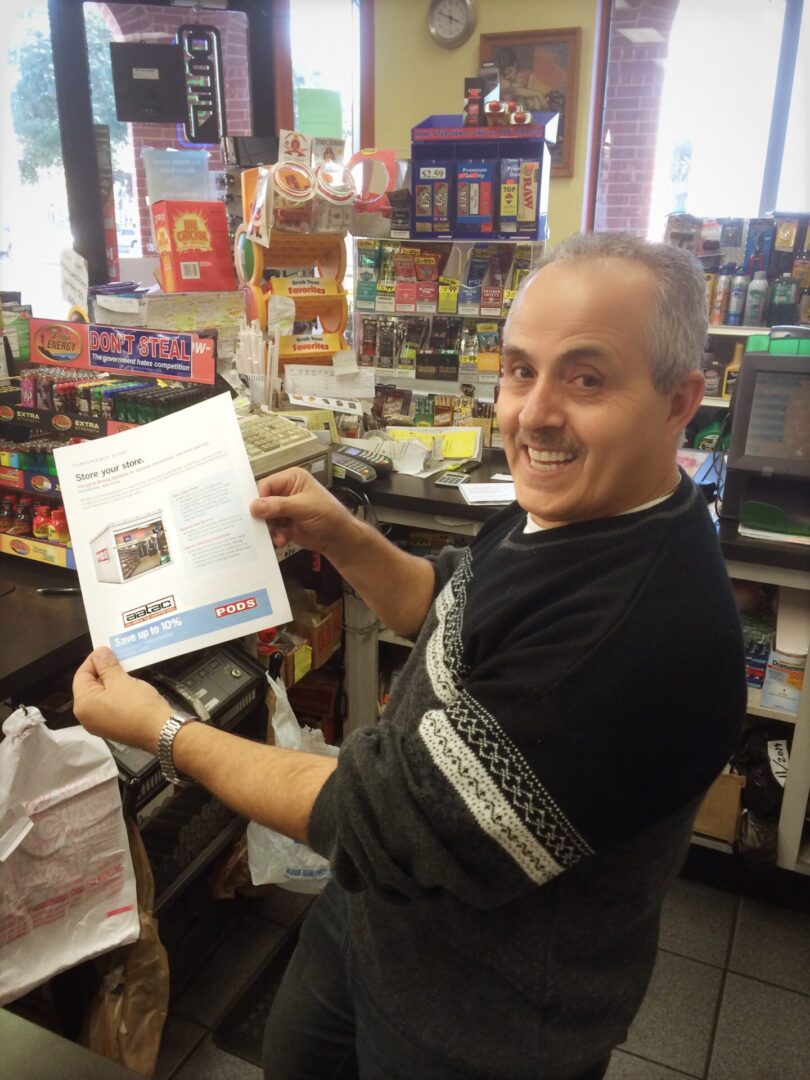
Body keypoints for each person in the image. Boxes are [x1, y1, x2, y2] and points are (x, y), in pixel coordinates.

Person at [72, 232, 746, 1080]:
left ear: (681, 399)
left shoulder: (639, 638)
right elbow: (457, 603)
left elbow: (374, 814)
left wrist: (162, 730)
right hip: (376, 918)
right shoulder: (583, 509)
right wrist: (346, 536)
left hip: (479, 1022)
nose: (533, 412)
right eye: (520, 369)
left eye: (587, 377)